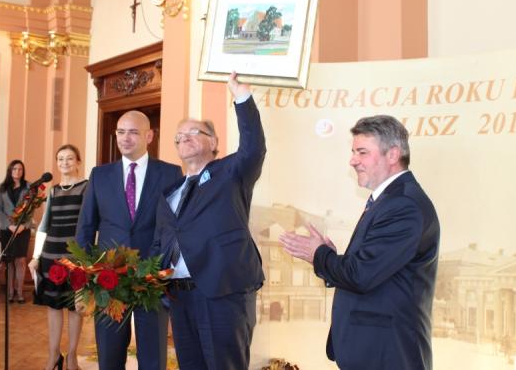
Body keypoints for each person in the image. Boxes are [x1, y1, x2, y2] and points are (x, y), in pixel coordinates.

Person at [279, 115, 440, 370]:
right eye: (353, 152)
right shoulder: (389, 200)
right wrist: (329, 258)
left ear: (393, 154)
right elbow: (371, 269)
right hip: (374, 353)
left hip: (388, 355)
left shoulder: (403, 205)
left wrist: (319, 255)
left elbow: (361, 274)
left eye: (362, 152)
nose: (353, 161)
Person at [150, 72, 266, 370]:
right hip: (179, 295)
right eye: (179, 137)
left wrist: (242, 97)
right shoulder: (169, 192)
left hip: (221, 291)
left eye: (193, 132)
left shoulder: (230, 173)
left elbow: (253, 148)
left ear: (213, 142)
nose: (184, 138)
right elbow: (161, 240)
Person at [76, 110, 182, 370]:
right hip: (108, 281)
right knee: (109, 357)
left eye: (133, 132)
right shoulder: (99, 175)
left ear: (149, 136)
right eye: (121, 132)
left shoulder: (170, 173)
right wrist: (84, 277)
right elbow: (86, 226)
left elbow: (176, 229)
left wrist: (166, 272)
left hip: (152, 280)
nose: (125, 138)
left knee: (153, 358)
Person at [28, 144, 87, 370]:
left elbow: (89, 224)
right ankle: (53, 355)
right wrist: (36, 256)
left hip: (74, 255)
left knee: (74, 307)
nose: (64, 163)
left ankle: (72, 356)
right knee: (53, 306)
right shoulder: (52, 191)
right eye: (60, 159)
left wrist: (86, 258)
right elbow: (44, 225)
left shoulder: (86, 187)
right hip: (50, 254)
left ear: (78, 162)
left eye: (69, 158)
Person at [0, 159, 32, 304]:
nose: (17, 171)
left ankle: (20, 292)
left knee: (20, 260)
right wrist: (8, 225)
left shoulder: (29, 187)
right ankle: (10, 292)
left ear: (23, 171)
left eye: (20, 169)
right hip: (7, 229)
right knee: (9, 261)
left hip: (23, 230)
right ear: (10, 171)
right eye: (14, 169)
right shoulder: (2, 187)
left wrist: (24, 225)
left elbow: (32, 209)